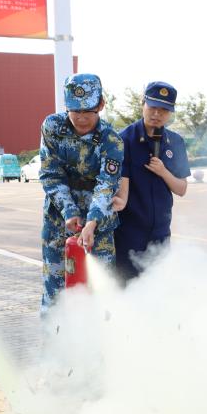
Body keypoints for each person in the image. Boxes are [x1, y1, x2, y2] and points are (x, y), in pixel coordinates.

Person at [39, 73, 124, 309]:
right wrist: (69, 211)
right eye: (75, 112)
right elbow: (50, 174)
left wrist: (92, 222)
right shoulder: (52, 127)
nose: (82, 119)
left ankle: (97, 346)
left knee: (100, 295)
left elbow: (106, 184)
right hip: (58, 221)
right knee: (55, 293)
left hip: (99, 226)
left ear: (101, 105)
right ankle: (54, 345)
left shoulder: (111, 140)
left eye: (88, 112)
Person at [112, 81, 190, 280]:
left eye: (164, 110)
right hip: (129, 234)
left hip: (161, 234)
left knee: (158, 291)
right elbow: (122, 192)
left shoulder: (176, 142)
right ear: (142, 103)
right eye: (153, 107)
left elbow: (181, 189)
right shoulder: (124, 140)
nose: (157, 114)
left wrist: (164, 172)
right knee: (128, 291)